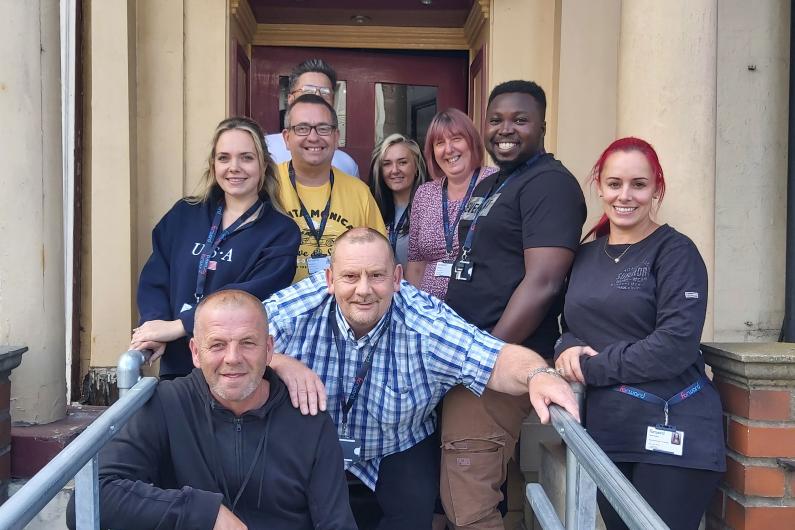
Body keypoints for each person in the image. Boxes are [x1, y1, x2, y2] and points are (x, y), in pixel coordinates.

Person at [264, 227, 580, 530]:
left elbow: (493, 358)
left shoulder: (426, 321)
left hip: (398, 442)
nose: (363, 290)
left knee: (413, 519)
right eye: (350, 277)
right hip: (315, 444)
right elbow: (226, 341)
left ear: (397, 278)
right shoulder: (297, 308)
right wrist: (277, 361)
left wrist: (538, 374)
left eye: (376, 276)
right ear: (330, 279)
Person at [68, 289, 356, 530]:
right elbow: (89, 499)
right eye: (217, 344)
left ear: (269, 349)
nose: (232, 358)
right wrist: (204, 513)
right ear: (195, 352)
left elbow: (336, 523)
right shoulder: (166, 404)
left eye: (247, 343)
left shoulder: (307, 417)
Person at [554, 137, 725, 530]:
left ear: (656, 189)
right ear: (600, 187)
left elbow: (674, 346)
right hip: (609, 431)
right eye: (614, 184)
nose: (625, 195)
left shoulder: (676, 252)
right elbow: (570, 325)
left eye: (639, 184)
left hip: (673, 428)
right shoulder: (586, 254)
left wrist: (589, 368)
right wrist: (568, 348)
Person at [442, 81, 587, 529]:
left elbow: (542, 282)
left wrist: (484, 355)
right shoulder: (498, 181)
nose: (506, 129)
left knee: (469, 503)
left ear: (543, 125)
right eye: (497, 119)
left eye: (520, 120)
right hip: (469, 356)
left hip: (497, 362)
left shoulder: (550, 185)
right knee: (463, 492)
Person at [133, 117, 300, 379]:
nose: (234, 167)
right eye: (224, 158)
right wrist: (155, 325)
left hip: (235, 369)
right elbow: (156, 276)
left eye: (246, 157)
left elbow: (250, 296)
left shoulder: (281, 232)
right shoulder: (184, 214)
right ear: (213, 165)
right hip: (178, 366)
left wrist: (181, 325)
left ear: (263, 165)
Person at [275, 94, 386, 283]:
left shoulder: (359, 192)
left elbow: (380, 259)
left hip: (343, 306)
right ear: (287, 138)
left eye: (323, 128)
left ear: (336, 137)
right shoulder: (266, 185)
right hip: (280, 307)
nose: (313, 137)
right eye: (302, 128)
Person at [405, 109, 497, 300]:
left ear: (472, 141)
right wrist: (411, 309)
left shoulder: (495, 183)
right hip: (430, 315)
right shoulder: (424, 194)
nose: (448, 149)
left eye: (456, 139)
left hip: (480, 309)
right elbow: (416, 263)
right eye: (440, 143)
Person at [265, 58, 359, 177]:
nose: (317, 97)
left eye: (325, 92)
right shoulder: (264, 148)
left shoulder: (347, 165)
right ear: (290, 99)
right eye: (308, 90)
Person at [369, 133, 428, 269]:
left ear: (417, 167)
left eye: (402, 162)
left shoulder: (431, 208)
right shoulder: (372, 207)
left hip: (419, 288)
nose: (394, 170)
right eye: (387, 164)